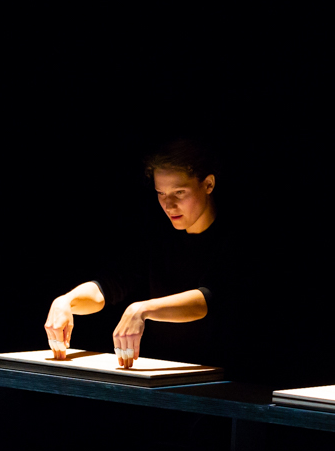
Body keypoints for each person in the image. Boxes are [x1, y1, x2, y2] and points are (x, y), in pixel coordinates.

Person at [42, 139, 231, 369]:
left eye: (179, 192)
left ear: (208, 184)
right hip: (163, 373)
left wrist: (141, 309)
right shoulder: (159, 236)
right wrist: (67, 301)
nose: (169, 205)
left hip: (228, 377)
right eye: (161, 193)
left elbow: (209, 298)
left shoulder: (232, 236)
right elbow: (110, 285)